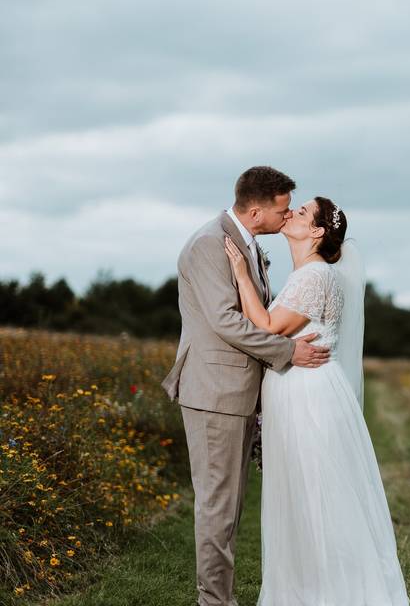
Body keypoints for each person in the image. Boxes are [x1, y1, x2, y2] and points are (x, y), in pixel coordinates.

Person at [224, 195, 409, 605]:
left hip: (308, 399)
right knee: (301, 498)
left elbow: (271, 325)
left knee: (315, 497)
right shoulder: (305, 274)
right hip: (297, 394)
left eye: (302, 212)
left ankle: (330, 593)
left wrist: (239, 272)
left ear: (318, 232)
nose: (292, 212)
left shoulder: (315, 276)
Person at [162, 166, 330, 606]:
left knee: (229, 507)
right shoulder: (207, 245)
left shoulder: (246, 243)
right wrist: (286, 352)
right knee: (218, 507)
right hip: (215, 393)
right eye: (282, 207)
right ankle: (215, 602)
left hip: (235, 392)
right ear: (256, 211)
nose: (289, 212)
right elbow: (225, 320)